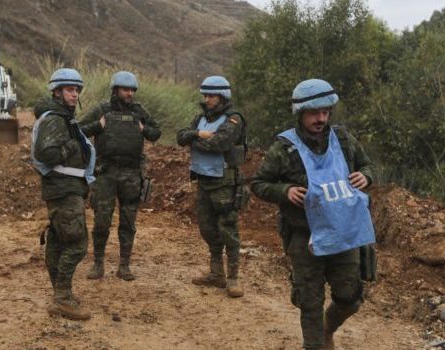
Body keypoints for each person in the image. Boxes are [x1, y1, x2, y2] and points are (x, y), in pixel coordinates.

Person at [251, 79, 376, 350]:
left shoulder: (343, 139)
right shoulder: (284, 148)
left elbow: (366, 165)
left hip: (344, 233)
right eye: (314, 113)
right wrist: (285, 191)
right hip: (304, 236)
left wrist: (364, 176)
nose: (321, 118)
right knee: (310, 302)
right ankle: (315, 344)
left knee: (350, 297)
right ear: (300, 113)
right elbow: (258, 183)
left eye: (326, 112)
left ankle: (327, 328)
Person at [80, 71, 161, 281]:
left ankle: (124, 266)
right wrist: (97, 126)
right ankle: (98, 264)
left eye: (133, 90)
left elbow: (156, 133)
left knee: (128, 221)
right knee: (101, 221)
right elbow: (79, 130)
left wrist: (143, 129)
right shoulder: (102, 109)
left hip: (131, 173)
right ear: (115, 90)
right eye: (126, 90)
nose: (130, 94)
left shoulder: (139, 111)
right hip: (106, 173)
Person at [31, 68, 96, 320]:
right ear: (57, 92)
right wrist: (72, 146)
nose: (74, 94)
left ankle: (61, 294)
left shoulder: (62, 117)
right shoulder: (55, 119)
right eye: (70, 89)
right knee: (78, 244)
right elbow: (47, 152)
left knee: (58, 242)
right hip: (63, 189)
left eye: (76, 90)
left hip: (65, 188)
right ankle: (62, 298)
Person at [176, 76, 247, 298]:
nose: (207, 99)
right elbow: (180, 137)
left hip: (224, 182)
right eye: (205, 95)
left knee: (228, 228)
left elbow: (220, 143)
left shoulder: (234, 119)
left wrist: (194, 141)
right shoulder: (201, 119)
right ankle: (216, 273)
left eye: (211, 96)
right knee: (207, 228)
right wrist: (198, 134)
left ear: (223, 96)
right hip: (204, 180)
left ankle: (233, 278)